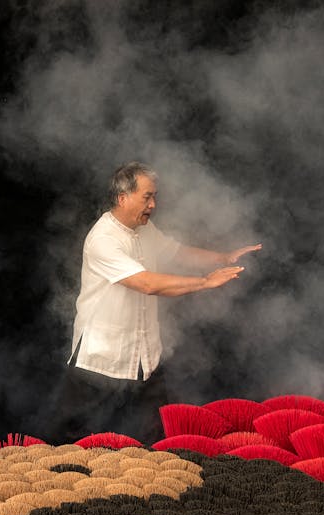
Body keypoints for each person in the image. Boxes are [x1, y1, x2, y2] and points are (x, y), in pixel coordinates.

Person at [47, 161, 261, 444]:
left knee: (157, 431)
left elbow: (177, 252)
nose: (153, 204)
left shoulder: (144, 229)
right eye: (147, 197)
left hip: (144, 352)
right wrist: (206, 282)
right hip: (101, 356)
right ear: (123, 198)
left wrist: (223, 258)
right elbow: (147, 284)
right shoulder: (103, 240)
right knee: (67, 437)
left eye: (154, 196)